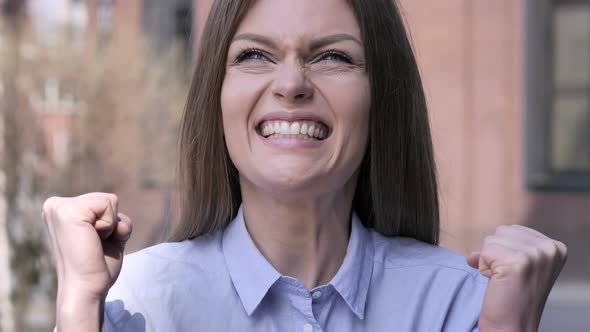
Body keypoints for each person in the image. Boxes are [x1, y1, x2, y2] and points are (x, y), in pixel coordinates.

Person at [42, 0, 567, 331]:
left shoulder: (463, 304)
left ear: (381, 96)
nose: (291, 83)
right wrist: (76, 312)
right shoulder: (134, 302)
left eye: (333, 56)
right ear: (216, 97)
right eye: (254, 55)